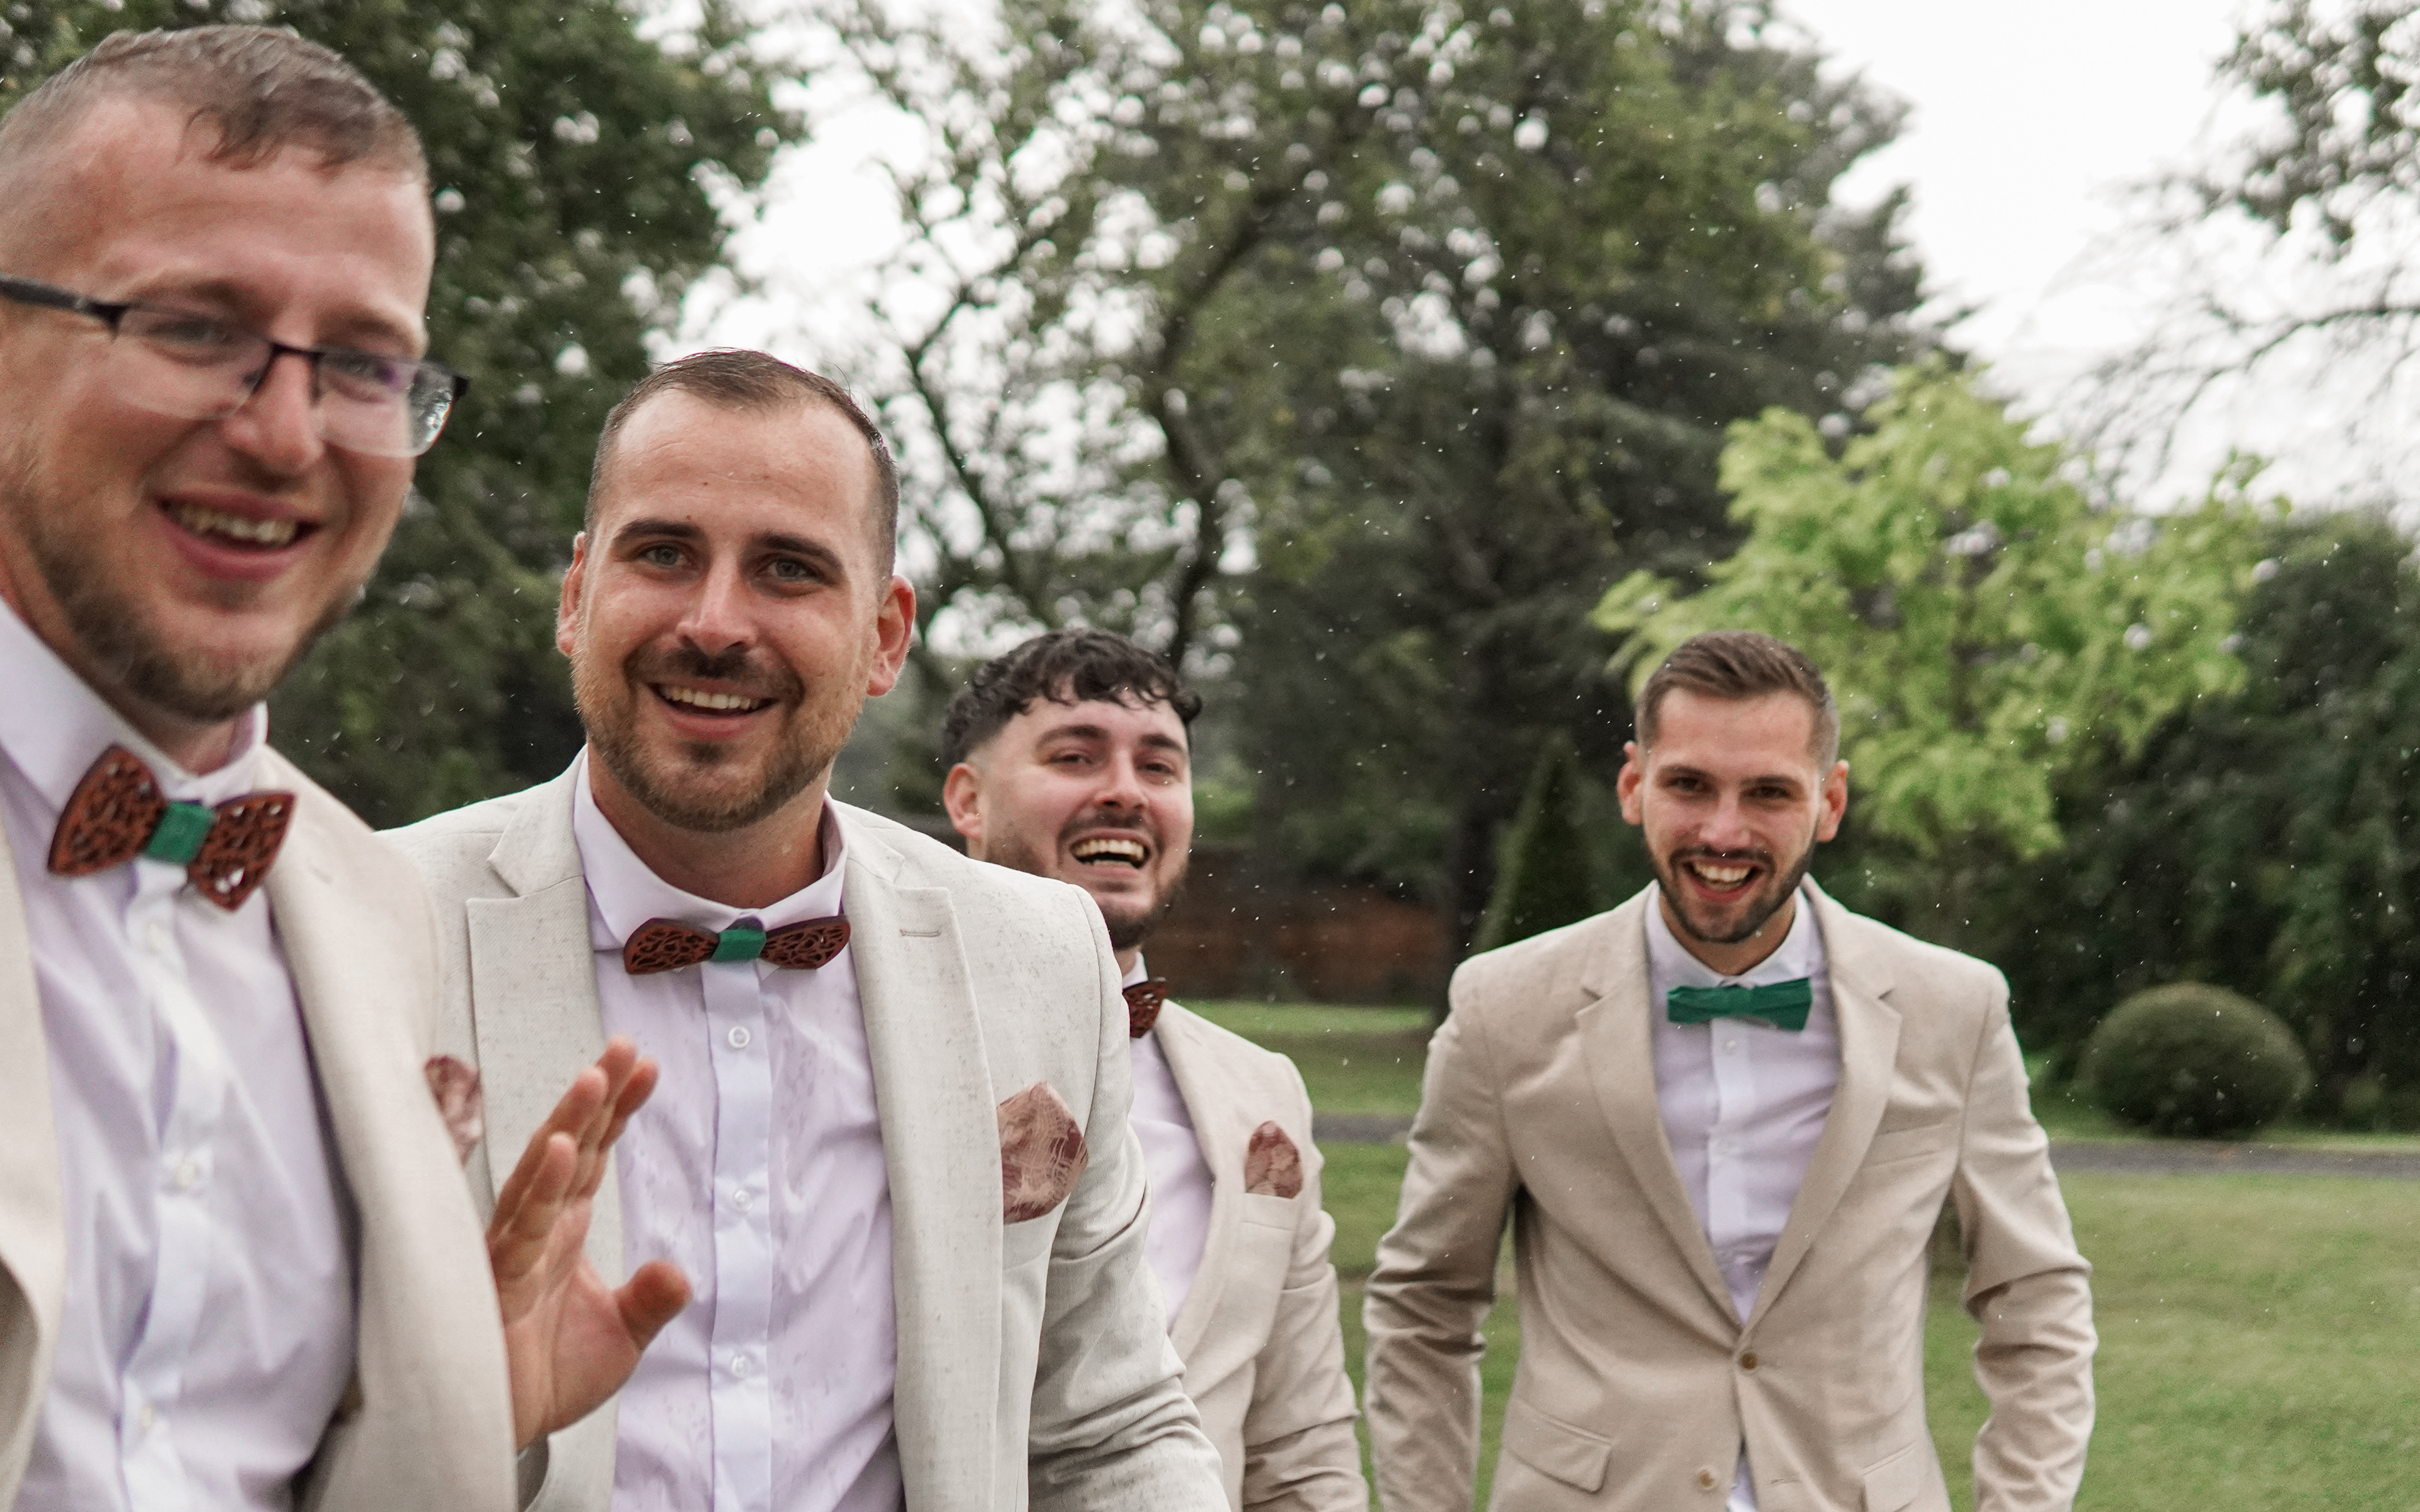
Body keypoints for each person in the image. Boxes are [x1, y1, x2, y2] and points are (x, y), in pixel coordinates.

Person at [0, 26, 679, 1512]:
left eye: (365, 364)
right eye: (193, 327)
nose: (283, 433)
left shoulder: (370, 907)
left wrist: (458, 1416)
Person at [387, 350, 1229, 1512]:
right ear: (577, 595)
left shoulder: (1043, 959)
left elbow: (1110, 1431)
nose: (715, 623)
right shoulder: (369, 931)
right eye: (663, 553)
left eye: (789, 570)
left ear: (886, 636)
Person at [1363, 631, 2095, 1512]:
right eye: (1689, 785)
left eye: (1769, 793)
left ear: (1830, 802)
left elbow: (2036, 1301)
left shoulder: (1954, 1009)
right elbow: (1425, 1307)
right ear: (1634, 787)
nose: (1723, 831)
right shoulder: (1504, 1007)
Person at [940, 629, 1369, 1512]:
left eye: (1160, 767)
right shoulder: (874, 1046)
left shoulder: (1264, 1093)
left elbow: (1300, 1442)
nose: (1126, 792)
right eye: (1075, 757)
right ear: (968, 802)